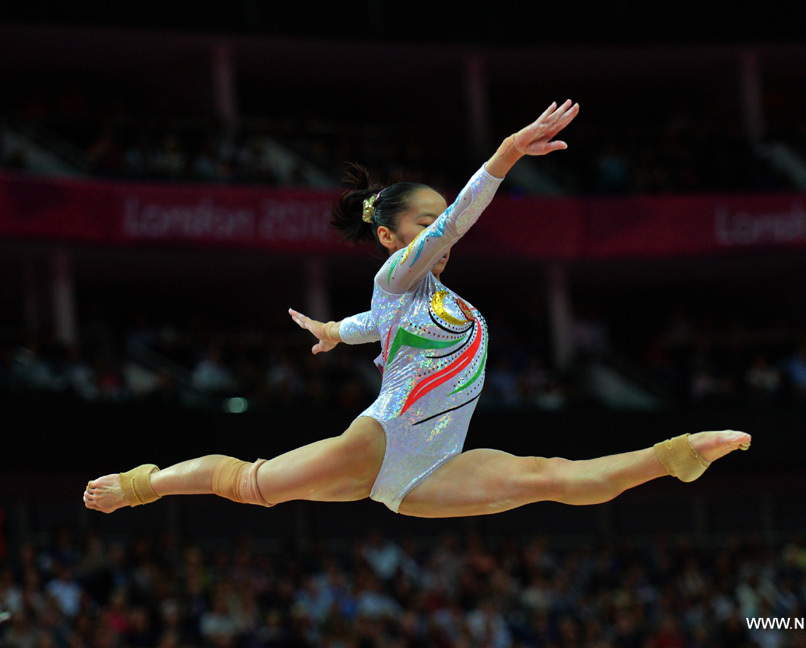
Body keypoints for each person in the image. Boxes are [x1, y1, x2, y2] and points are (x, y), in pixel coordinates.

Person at [84, 100, 751, 518]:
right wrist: (507, 155)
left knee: (552, 478)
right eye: (424, 223)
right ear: (389, 237)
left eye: (438, 222)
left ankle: (677, 454)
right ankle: (143, 484)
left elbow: (376, 324)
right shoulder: (398, 274)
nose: (440, 232)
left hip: (430, 468)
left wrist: (334, 330)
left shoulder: (428, 299)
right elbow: (453, 226)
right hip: (379, 439)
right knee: (250, 485)